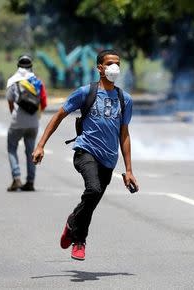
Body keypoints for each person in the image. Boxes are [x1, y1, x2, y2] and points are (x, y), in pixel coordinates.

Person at [32, 49, 139, 261]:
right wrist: (40, 145)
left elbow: (124, 134)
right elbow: (59, 115)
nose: (114, 67)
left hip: (108, 160)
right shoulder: (85, 92)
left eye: (117, 63)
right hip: (85, 151)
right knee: (93, 189)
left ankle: (73, 222)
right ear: (99, 67)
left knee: (90, 204)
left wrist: (128, 170)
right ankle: (79, 241)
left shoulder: (124, 99)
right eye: (109, 63)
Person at [6, 54, 48, 191]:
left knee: (12, 148)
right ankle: (30, 182)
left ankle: (16, 178)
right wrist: (36, 116)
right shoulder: (37, 82)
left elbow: (10, 103)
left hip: (17, 121)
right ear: (31, 67)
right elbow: (44, 103)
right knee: (31, 151)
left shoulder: (13, 81)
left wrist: (15, 115)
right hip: (33, 123)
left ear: (18, 66)